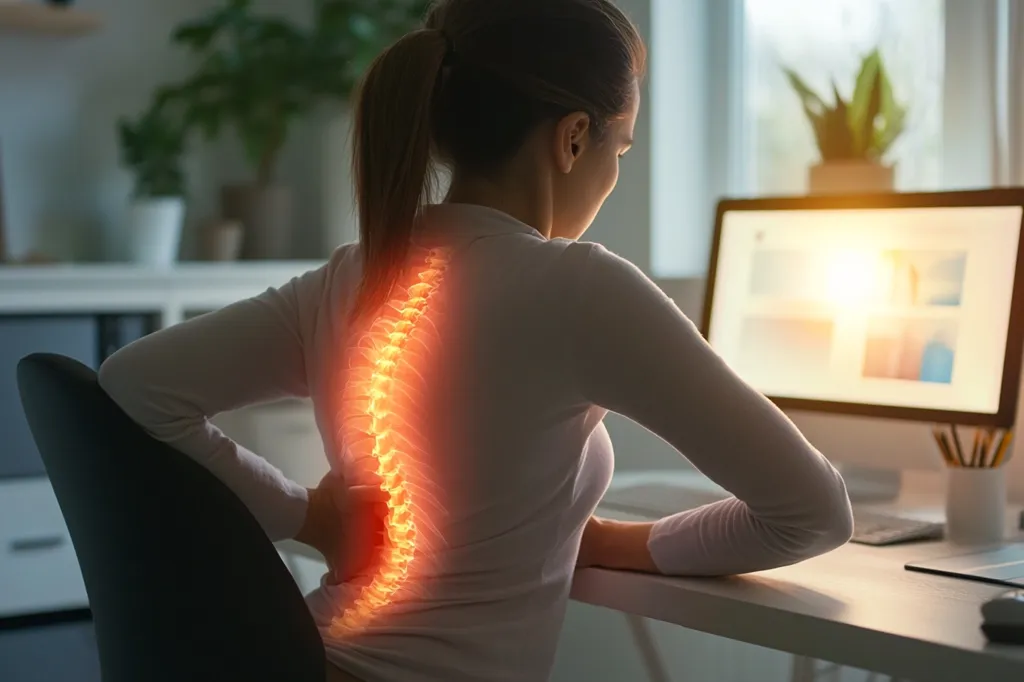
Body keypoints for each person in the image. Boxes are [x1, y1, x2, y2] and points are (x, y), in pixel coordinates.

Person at [98, 0, 854, 680]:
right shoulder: (581, 289)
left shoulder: (344, 279)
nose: (614, 170)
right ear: (573, 138)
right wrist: (610, 542)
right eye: (620, 150)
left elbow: (135, 382)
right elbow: (812, 512)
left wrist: (308, 516)